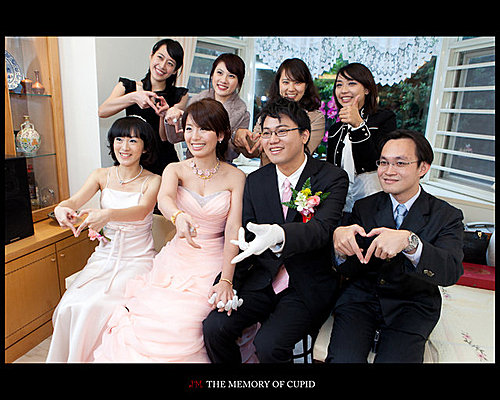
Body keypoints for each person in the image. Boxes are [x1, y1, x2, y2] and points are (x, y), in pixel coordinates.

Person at [93, 98, 246, 362]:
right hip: (176, 259)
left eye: (204, 129)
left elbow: (234, 228)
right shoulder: (175, 169)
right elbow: (164, 199)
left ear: (221, 135)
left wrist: (226, 280)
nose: (194, 137)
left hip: (213, 260)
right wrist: (178, 216)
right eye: (189, 128)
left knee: (187, 322)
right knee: (152, 318)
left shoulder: (236, 176)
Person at [202, 98, 349, 363]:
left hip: (305, 283)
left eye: (281, 132)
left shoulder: (331, 177)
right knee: (215, 327)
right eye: (267, 133)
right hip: (262, 280)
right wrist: (227, 283)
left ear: (304, 135)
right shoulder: (256, 180)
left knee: (269, 345)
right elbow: (245, 237)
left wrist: (279, 235)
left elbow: (322, 230)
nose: (272, 140)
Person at [326, 129, 464, 363]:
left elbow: (450, 271)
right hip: (362, 300)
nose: (388, 171)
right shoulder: (364, 207)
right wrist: (339, 248)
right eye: (383, 162)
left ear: (423, 168)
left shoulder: (446, 215)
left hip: (412, 305)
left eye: (400, 163)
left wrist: (410, 242)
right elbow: (351, 268)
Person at [46, 116, 162, 362]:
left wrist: (107, 215)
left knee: (97, 307)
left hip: (137, 260)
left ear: (145, 147)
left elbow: (142, 210)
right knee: (69, 306)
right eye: (119, 139)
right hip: (104, 257)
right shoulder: (101, 175)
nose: (124, 147)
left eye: (133, 141)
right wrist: (61, 208)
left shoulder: (153, 180)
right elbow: (74, 201)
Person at [99, 38, 188, 176]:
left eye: (170, 63)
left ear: (175, 70)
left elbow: (165, 138)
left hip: (164, 162)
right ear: (151, 55)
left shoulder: (180, 95)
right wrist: (134, 97)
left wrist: (165, 115)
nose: (162, 65)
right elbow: (103, 111)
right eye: (160, 57)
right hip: (133, 158)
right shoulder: (128, 87)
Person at [326, 62, 397, 214]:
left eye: (351, 83)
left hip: (372, 198)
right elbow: (331, 169)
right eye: (339, 85)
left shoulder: (384, 119)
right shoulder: (335, 129)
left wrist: (358, 125)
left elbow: (374, 162)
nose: (344, 90)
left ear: (366, 89)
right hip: (341, 202)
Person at [233, 58, 325, 165]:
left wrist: (266, 142)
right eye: (286, 82)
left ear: (306, 86)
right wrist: (240, 137)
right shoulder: (267, 114)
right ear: (278, 84)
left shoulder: (316, 118)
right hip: (267, 173)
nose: (291, 88)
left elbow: (302, 152)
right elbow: (254, 149)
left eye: (297, 82)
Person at [165, 53, 253, 163]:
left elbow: (232, 153)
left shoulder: (242, 113)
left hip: (222, 166)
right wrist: (171, 118)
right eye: (219, 73)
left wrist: (233, 138)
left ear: (239, 82)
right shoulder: (196, 101)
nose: (223, 80)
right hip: (192, 163)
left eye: (231, 76)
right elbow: (174, 137)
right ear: (212, 74)